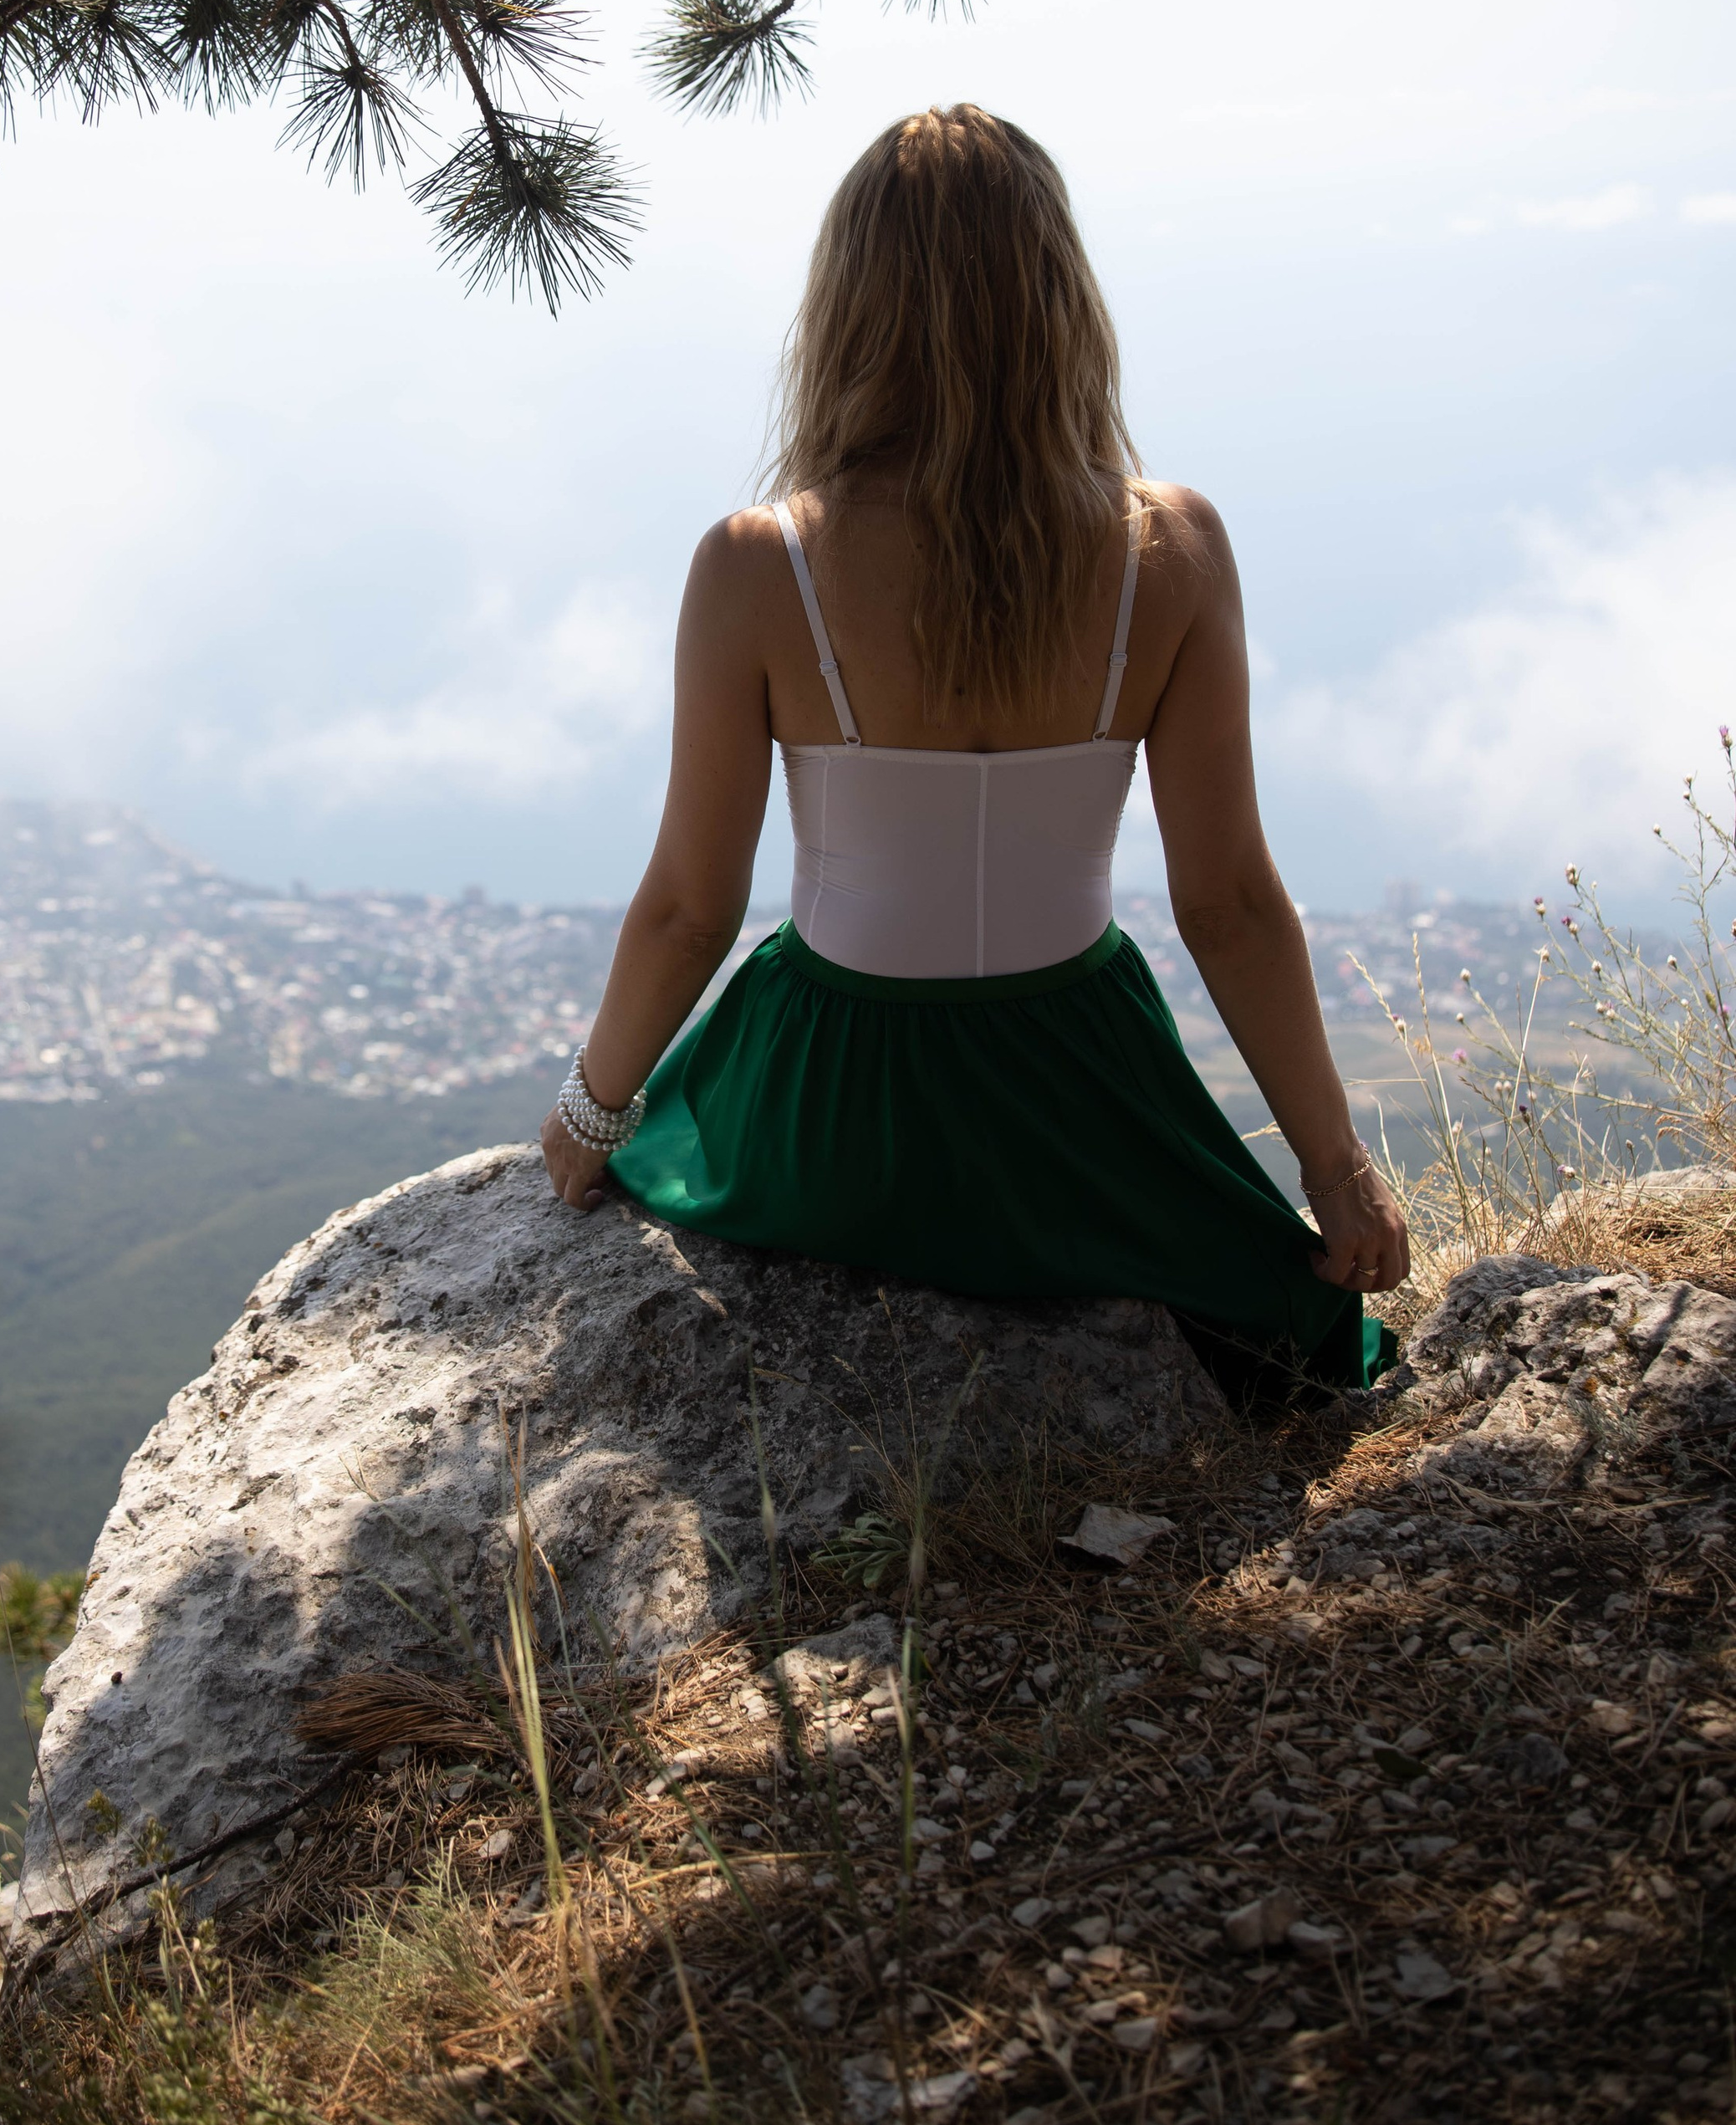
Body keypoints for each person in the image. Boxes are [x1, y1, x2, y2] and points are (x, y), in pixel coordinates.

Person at [539, 104, 1407, 1396]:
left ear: (848, 309)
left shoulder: (756, 564)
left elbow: (687, 910)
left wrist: (593, 1111)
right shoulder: (1171, 548)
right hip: (1081, 1101)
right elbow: (1227, 904)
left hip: (832, 1110)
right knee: (1301, 1339)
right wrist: (1334, 1178)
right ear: (1062, 298)